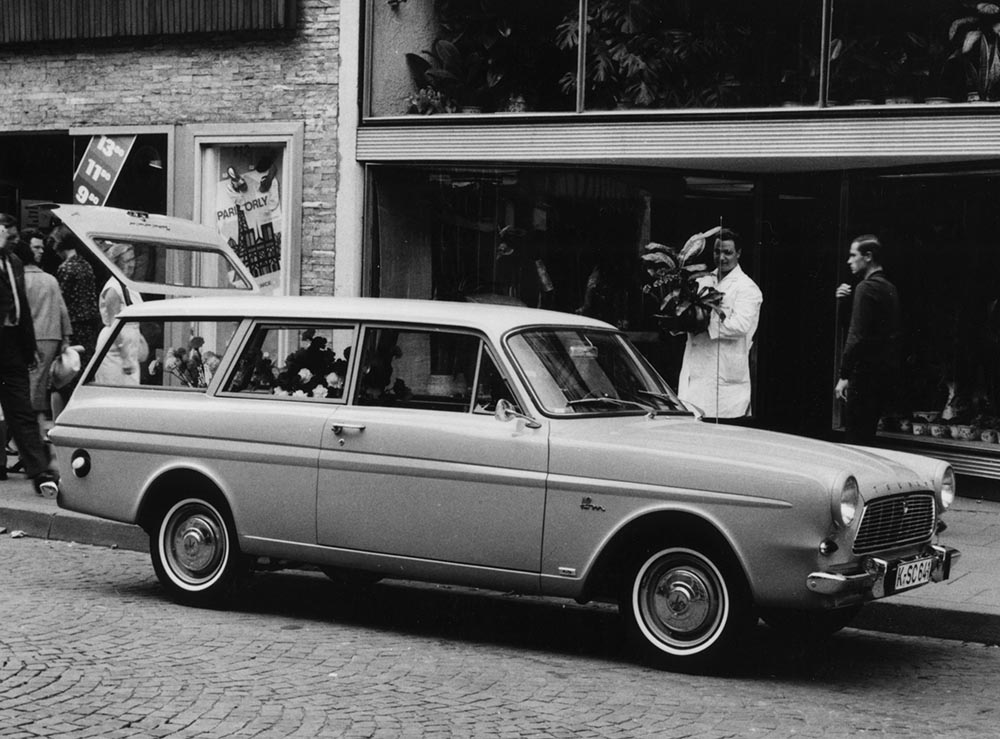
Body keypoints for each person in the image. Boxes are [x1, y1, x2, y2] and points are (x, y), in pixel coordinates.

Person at [677, 228, 763, 420]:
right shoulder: (703, 280)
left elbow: (740, 326)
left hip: (724, 384)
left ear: (738, 253)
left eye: (727, 252)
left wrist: (704, 320)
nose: (721, 257)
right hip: (695, 373)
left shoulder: (747, 288)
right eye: (717, 251)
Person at [0, 213, 58, 494]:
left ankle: (40, 472)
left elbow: (20, 305)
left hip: (12, 344)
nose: (12, 241)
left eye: (14, 236)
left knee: (22, 410)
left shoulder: (14, 262)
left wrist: (29, 346)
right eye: (8, 235)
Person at [834, 234, 901, 445]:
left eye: (853, 255)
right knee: (867, 435)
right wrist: (844, 303)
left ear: (868, 256)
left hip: (862, 375)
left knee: (855, 438)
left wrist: (844, 375)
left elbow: (856, 335)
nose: (849, 261)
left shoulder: (865, 288)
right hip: (881, 375)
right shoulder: (889, 288)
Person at [13, 235, 72, 434]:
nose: (41, 251)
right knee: (38, 385)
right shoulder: (50, 279)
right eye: (36, 248)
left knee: (26, 385)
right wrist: (66, 337)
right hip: (50, 335)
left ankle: (25, 432)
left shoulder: (18, 279)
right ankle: (34, 430)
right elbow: (63, 310)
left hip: (26, 337)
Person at [52, 226, 101, 416]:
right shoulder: (86, 265)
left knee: (64, 377)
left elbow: (61, 301)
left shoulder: (66, 268)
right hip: (89, 328)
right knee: (83, 376)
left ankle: (62, 417)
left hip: (73, 327)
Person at [94, 243, 147, 385]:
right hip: (116, 348)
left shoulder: (131, 286)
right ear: (116, 264)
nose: (131, 265)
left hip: (130, 348)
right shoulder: (113, 289)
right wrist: (125, 358)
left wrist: (141, 342)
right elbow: (115, 325)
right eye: (127, 261)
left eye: (133, 260)